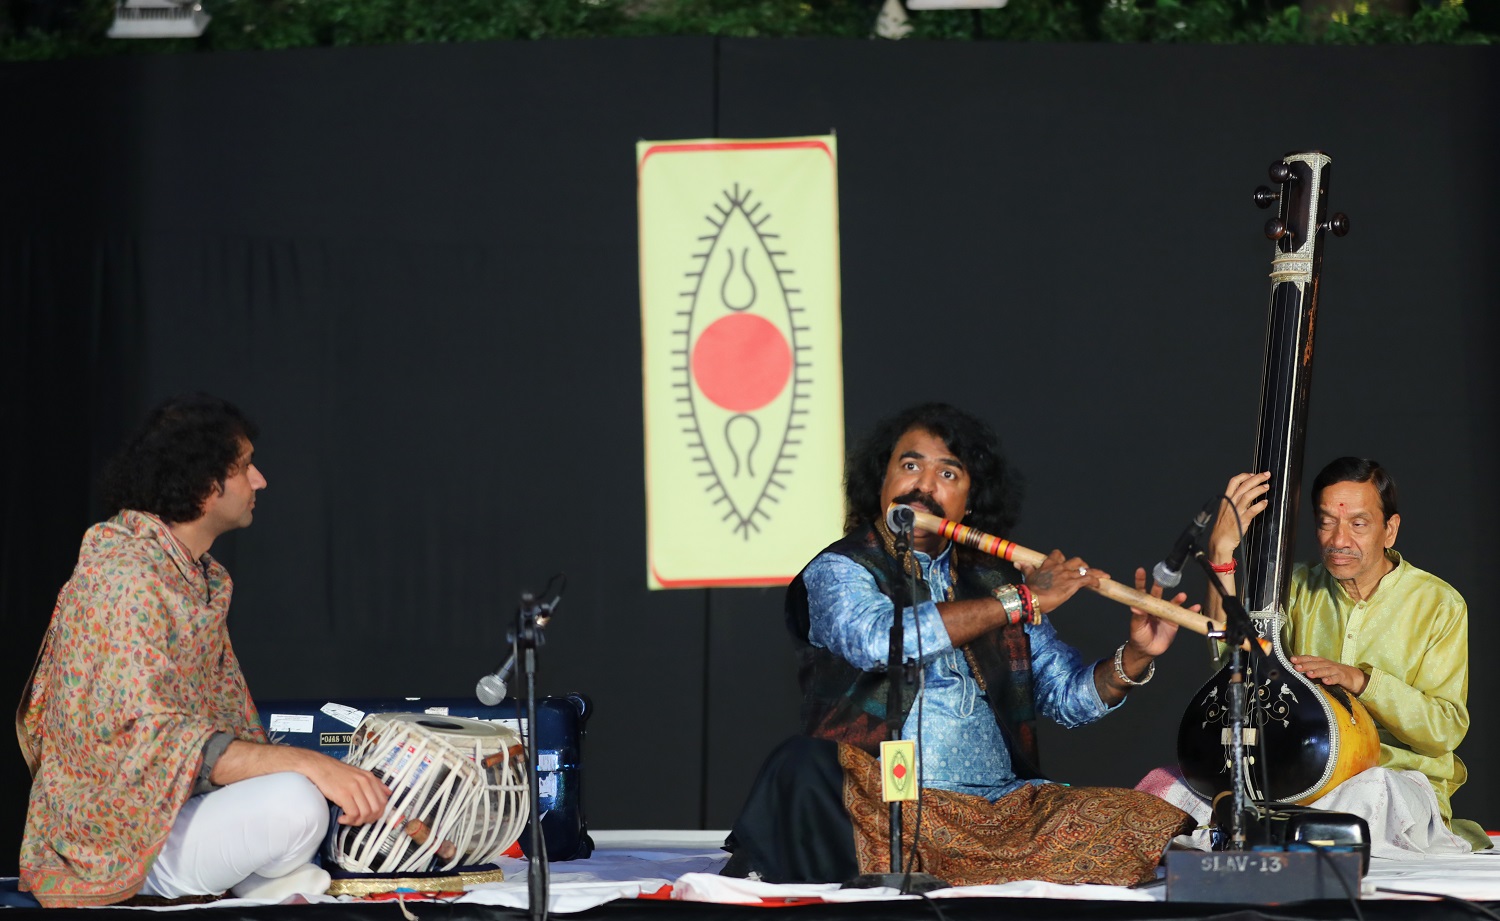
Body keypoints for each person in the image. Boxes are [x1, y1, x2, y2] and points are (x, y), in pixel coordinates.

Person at [723, 403, 1194, 887]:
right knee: (801, 766)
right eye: (910, 465)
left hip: (998, 811)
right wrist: (1020, 600)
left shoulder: (994, 579)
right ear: (882, 481)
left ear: (969, 502)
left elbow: (1066, 697)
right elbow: (879, 640)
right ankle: (917, 868)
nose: (923, 486)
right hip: (884, 803)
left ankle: (960, 868)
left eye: (947, 473)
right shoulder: (842, 569)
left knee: (1137, 815)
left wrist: (1136, 655)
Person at [16, 394, 391, 907]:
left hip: (174, 809)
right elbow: (152, 739)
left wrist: (323, 774)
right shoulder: (126, 579)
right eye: (244, 467)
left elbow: (221, 726)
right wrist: (310, 765)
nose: (260, 481)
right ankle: (203, 881)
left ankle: (254, 881)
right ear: (202, 486)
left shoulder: (196, 577)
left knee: (315, 804)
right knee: (296, 802)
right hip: (118, 838)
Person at [1190, 459, 1488, 851]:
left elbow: (1444, 732)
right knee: (1179, 787)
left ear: (1390, 529)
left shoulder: (1438, 604)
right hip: (1300, 777)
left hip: (1396, 780)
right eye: (1326, 522)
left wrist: (1362, 682)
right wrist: (1221, 551)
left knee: (1368, 792)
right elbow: (1231, 662)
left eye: (1358, 524)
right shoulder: (1292, 588)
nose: (1338, 540)